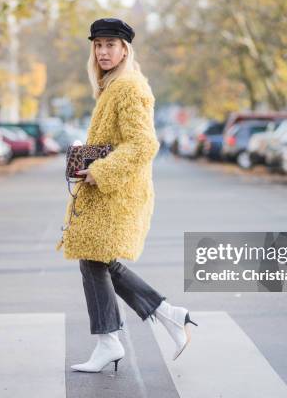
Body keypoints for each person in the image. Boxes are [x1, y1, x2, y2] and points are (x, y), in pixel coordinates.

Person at [55, 18, 198, 374]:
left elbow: (143, 144)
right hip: (109, 189)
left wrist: (100, 170)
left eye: (110, 45)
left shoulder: (129, 87)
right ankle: (165, 315)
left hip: (118, 191)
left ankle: (111, 339)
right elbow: (118, 141)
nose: (103, 52)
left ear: (124, 49)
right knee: (96, 259)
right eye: (98, 45)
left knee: (93, 258)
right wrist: (86, 157)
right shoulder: (111, 86)